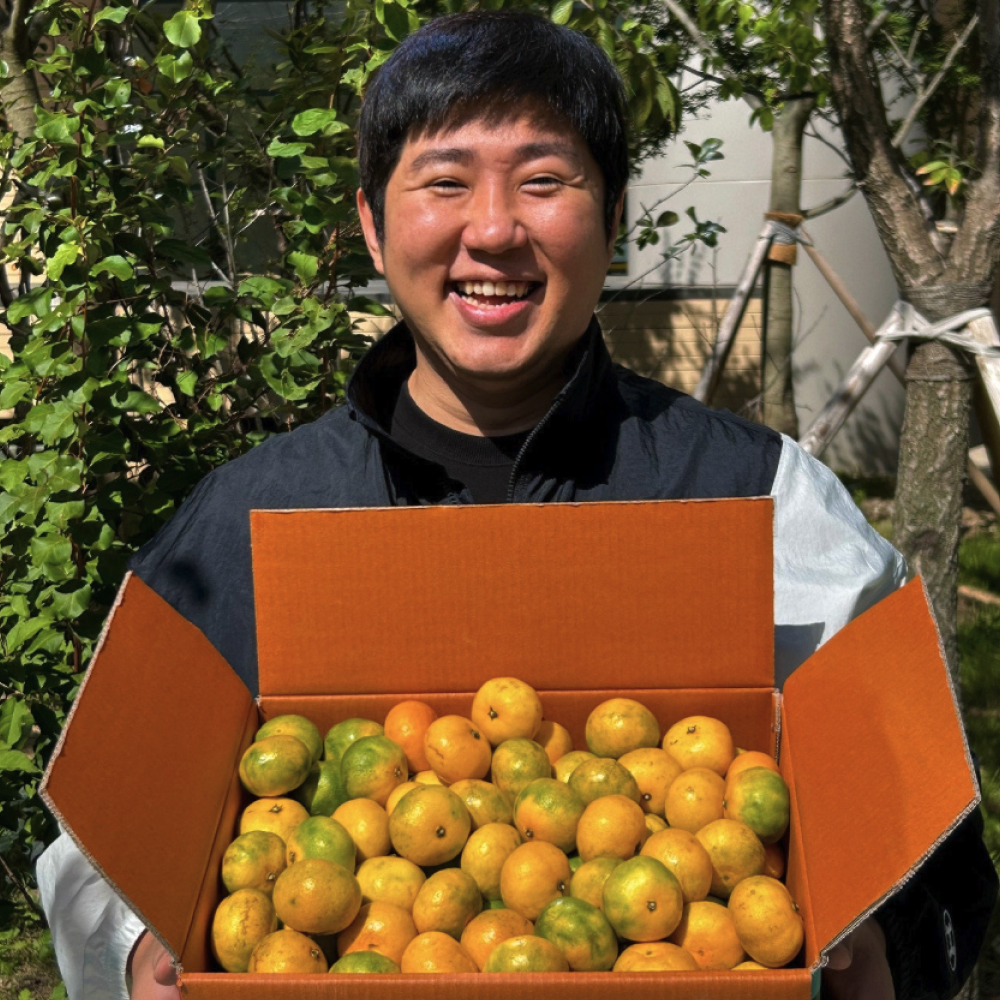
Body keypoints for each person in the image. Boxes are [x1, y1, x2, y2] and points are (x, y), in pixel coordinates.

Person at [37, 11, 996, 1000]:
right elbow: (95, 849)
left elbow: (923, 829)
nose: (493, 229)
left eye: (543, 180)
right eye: (444, 181)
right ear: (371, 222)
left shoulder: (756, 498)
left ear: (613, 218)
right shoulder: (246, 524)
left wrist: (884, 942)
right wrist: (130, 957)